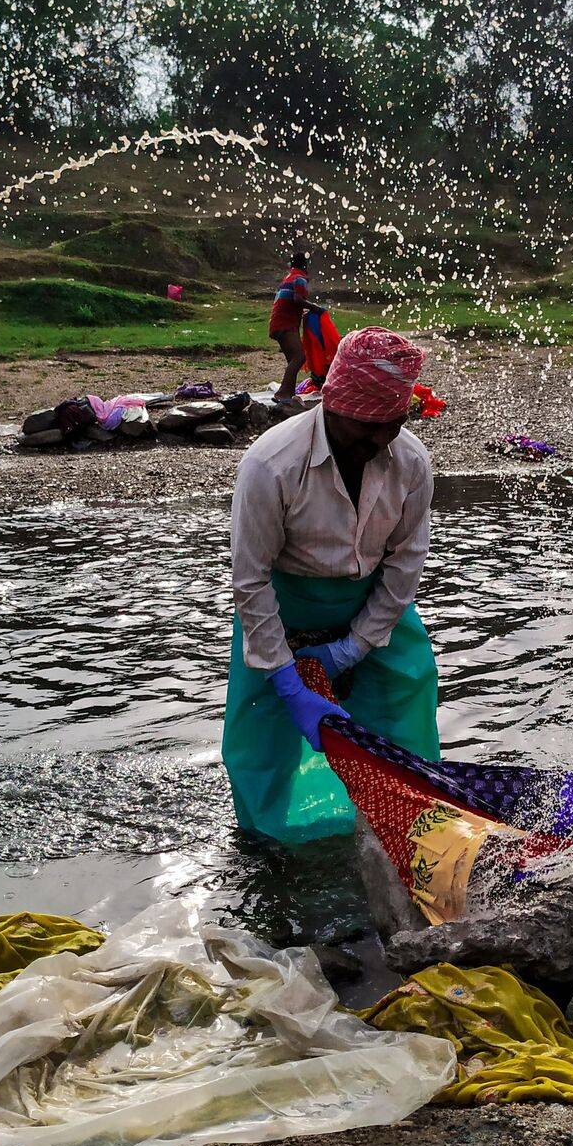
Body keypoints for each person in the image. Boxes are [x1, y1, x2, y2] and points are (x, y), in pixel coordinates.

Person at [222, 326, 438, 843]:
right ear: (333, 405)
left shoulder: (410, 462)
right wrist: (287, 679)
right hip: (285, 610)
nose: (379, 441)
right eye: (366, 428)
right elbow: (250, 581)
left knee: (405, 718)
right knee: (261, 744)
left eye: (394, 424)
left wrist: (353, 648)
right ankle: (270, 851)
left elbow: (406, 561)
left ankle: (409, 835)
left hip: (374, 606)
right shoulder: (271, 465)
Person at [269, 251, 312, 402]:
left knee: (292, 360)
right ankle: (282, 394)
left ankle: (289, 394)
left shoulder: (289, 277)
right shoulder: (300, 278)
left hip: (278, 323)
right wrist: (315, 308)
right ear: (305, 265)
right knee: (299, 357)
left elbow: (290, 301)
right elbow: (298, 299)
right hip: (285, 324)